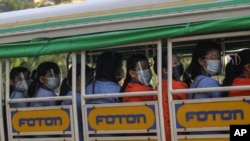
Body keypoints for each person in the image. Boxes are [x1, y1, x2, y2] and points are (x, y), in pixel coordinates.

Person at [153, 52, 187, 141]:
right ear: (165, 70)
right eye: (175, 63)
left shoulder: (159, 86)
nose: (179, 65)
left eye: (179, 62)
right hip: (175, 133)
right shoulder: (176, 86)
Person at [60, 64, 93, 141]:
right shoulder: (76, 98)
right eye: (89, 77)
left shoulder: (72, 95)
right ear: (80, 78)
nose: (91, 80)